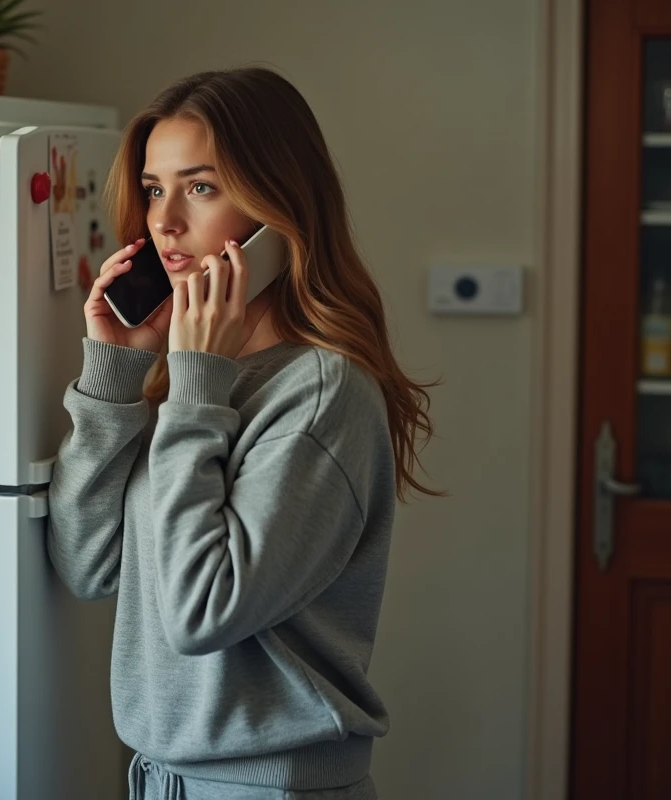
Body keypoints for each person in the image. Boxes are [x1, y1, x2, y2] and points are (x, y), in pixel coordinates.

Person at [47, 66, 439, 800]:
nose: (164, 222)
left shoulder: (322, 394)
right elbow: (84, 564)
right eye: (156, 188)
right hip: (166, 780)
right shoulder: (196, 380)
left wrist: (196, 388)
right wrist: (114, 377)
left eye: (200, 187)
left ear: (278, 210)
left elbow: (201, 612)